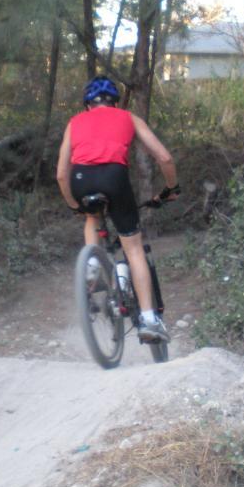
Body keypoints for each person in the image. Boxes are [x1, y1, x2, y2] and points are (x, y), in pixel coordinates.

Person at [56, 76, 179, 344]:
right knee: (133, 248)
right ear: (115, 102)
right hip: (114, 177)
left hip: (80, 178)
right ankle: (148, 319)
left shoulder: (75, 122)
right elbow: (165, 157)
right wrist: (172, 188)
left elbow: (61, 175)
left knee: (91, 216)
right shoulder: (128, 117)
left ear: (88, 104)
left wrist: (72, 203)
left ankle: (91, 263)